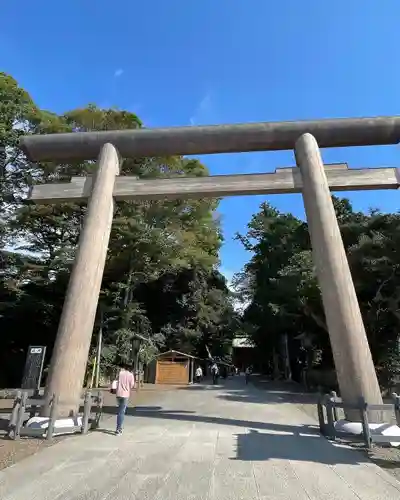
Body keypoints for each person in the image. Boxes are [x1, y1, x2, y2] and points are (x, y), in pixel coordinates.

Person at [114, 362, 135, 435]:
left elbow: (115, 381)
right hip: (125, 395)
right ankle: (118, 429)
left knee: (119, 410)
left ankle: (119, 427)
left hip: (118, 394)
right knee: (121, 412)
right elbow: (132, 385)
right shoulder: (131, 375)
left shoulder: (120, 373)